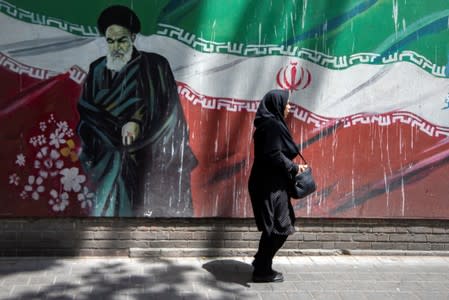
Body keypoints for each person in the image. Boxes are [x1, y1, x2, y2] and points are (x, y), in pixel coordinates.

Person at [77, 5, 197, 217]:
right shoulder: (97, 69)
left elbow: (167, 109)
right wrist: (111, 130)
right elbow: (88, 110)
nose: (116, 47)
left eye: (121, 40)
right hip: (106, 151)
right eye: (110, 41)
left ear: (133, 37)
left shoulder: (155, 66)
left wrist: (136, 121)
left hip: (147, 146)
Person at [248, 89, 307, 282]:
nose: (289, 107)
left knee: (276, 224)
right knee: (281, 226)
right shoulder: (272, 125)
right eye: (287, 103)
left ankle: (260, 262)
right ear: (277, 104)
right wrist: (294, 167)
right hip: (270, 185)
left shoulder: (267, 124)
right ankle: (262, 270)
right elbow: (273, 155)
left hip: (270, 183)